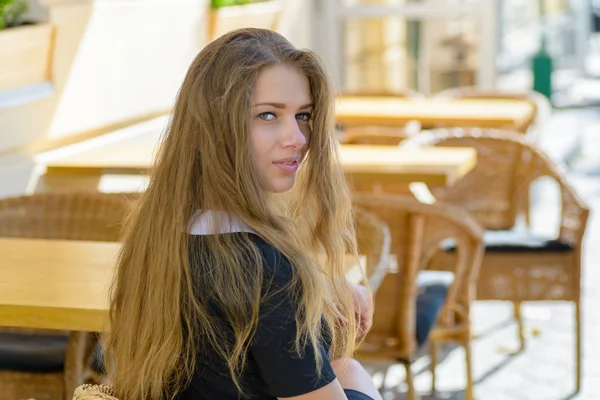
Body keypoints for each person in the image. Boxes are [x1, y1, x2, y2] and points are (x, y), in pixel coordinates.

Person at [103, 28, 383, 400]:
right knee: (354, 372)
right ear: (217, 127)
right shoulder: (270, 273)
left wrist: (324, 286)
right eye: (268, 115)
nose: (297, 138)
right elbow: (265, 288)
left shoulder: (160, 236)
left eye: (303, 115)